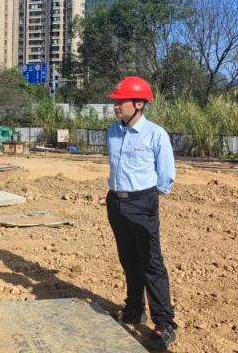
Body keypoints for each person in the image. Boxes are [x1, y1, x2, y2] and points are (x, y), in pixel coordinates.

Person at [106, 76, 177, 349]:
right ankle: (134, 310)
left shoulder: (155, 134)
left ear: (139, 104)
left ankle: (164, 323)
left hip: (142, 202)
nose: (116, 105)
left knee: (151, 262)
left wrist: (145, 199)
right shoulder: (113, 132)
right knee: (128, 259)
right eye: (115, 101)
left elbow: (165, 175)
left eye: (120, 101)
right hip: (116, 201)